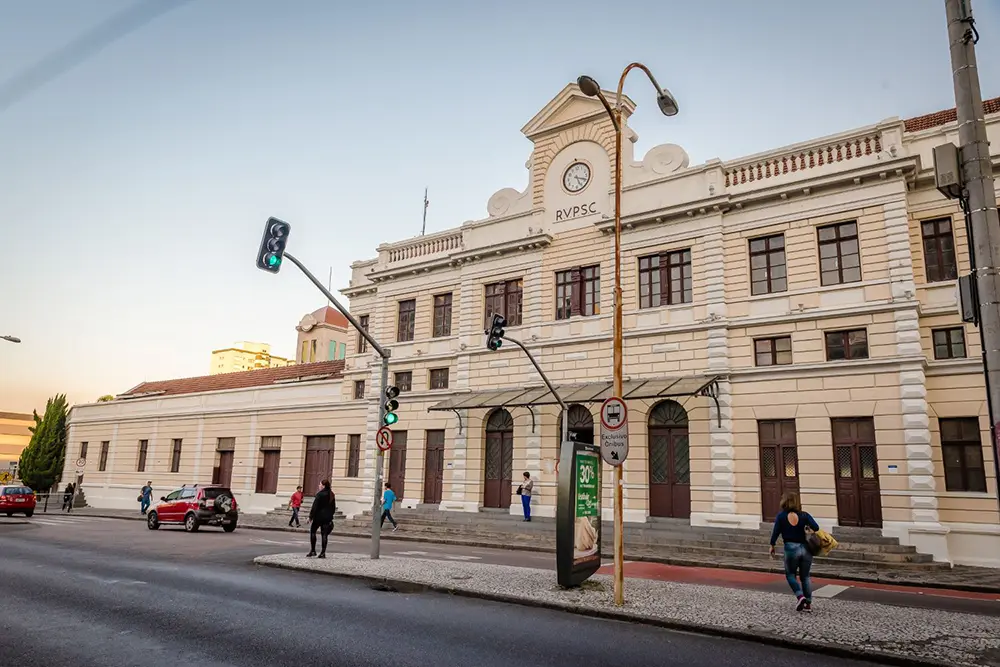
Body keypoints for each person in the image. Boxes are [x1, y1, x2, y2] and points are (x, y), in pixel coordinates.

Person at [769, 491, 820, 612]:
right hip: (806, 548)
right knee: (805, 577)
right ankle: (808, 604)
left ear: (784, 501)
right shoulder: (804, 515)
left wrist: (772, 545)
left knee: (790, 575)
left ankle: (800, 596)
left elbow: (776, 532)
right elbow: (816, 527)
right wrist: (807, 528)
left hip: (791, 548)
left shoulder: (781, 516)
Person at [307, 480, 335, 558]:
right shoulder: (331, 494)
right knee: (324, 535)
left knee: (313, 531)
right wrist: (330, 515)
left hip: (318, 517)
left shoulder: (319, 494)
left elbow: (315, 506)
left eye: (320, 484)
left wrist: (310, 517)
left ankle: (313, 550)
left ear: (323, 486)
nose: (319, 486)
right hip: (327, 518)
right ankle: (323, 552)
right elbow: (333, 507)